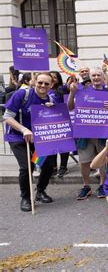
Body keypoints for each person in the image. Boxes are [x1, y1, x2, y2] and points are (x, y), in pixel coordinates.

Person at [4, 73, 57, 212]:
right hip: (18, 137)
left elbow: (57, 119)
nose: (43, 86)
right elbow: (7, 117)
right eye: (40, 82)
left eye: (46, 83)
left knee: (49, 164)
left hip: (39, 139)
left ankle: (40, 191)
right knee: (26, 166)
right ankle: (26, 198)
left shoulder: (51, 98)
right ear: (34, 82)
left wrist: (52, 110)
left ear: (51, 85)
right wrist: (24, 130)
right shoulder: (22, 94)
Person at [68, 68, 108, 200]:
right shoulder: (82, 92)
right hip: (85, 134)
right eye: (93, 75)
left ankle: (102, 185)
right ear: (90, 77)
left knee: (103, 161)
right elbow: (70, 107)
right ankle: (86, 186)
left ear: (103, 78)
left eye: (98, 75)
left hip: (102, 133)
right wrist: (72, 93)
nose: (96, 77)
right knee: (84, 161)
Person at [49, 71, 70, 177]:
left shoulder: (62, 89)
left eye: (55, 77)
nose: (52, 79)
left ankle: (63, 167)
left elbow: (70, 85)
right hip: (48, 122)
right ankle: (53, 167)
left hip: (62, 120)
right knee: (51, 146)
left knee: (63, 145)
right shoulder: (44, 89)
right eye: (50, 77)